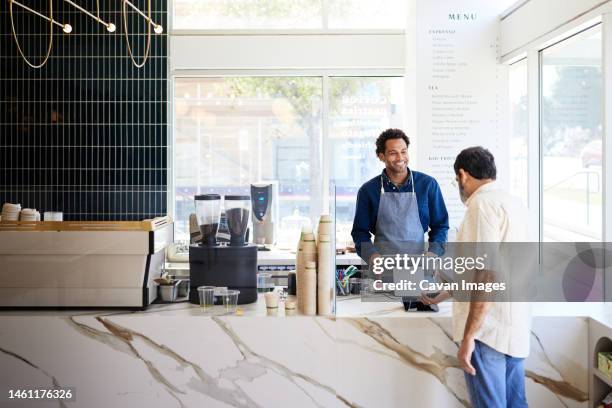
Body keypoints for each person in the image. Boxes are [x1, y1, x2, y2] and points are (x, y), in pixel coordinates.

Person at [421, 146, 531, 408]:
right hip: (513, 327)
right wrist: (443, 295)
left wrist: (470, 335)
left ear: (463, 175)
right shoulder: (513, 203)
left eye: (456, 180)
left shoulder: (480, 205)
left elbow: (487, 274)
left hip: (487, 331)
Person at [351, 128, 449, 308]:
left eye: (403, 151)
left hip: (419, 274)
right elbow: (360, 232)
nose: (400, 157)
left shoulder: (427, 185)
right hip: (383, 275)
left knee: (418, 327)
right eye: (393, 153)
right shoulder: (368, 191)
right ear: (381, 156)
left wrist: (433, 253)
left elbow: (441, 226)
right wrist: (372, 256)